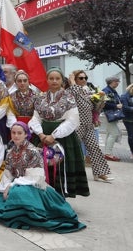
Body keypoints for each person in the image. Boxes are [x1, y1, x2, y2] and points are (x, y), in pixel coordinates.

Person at [0, 122, 86, 233]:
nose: (16, 136)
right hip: (17, 185)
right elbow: (8, 174)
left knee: (20, 193)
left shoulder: (32, 151)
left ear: (26, 135)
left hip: (33, 186)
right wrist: (5, 187)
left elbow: (34, 178)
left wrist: (11, 185)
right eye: (13, 133)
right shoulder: (11, 152)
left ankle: (30, 215)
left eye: (19, 133)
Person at [28, 67, 89, 198]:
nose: (54, 81)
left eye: (57, 78)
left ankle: (60, 197)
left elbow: (73, 119)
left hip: (63, 137)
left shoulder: (69, 97)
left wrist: (54, 135)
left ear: (62, 80)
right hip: (42, 136)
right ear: (47, 80)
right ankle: (42, 195)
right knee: (41, 166)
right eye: (51, 78)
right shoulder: (41, 97)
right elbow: (35, 118)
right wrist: (40, 134)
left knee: (61, 168)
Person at [67, 70, 113, 181]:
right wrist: (71, 81)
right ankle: (67, 172)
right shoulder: (71, 90)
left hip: (88, 125)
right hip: (76, 125)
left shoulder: (89, 92)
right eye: (81, 78)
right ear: (75, 79)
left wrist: (101, 100)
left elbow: (96, 109)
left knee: (94, 148)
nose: (84, 80)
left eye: (85, 78)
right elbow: (74, 93)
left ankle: (100, 173)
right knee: (71, 149)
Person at [102, 75, 123, 161]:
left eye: (118, 81)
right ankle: (108, 154)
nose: (117, 83)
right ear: (111, 82)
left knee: (109, 134)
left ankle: (107, 153)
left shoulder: (111, 91)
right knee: (114, 133)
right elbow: (103, 103)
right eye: (116, 81)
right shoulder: (106, 91)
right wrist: (116, 105)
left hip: (111, 115)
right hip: (108, 114)